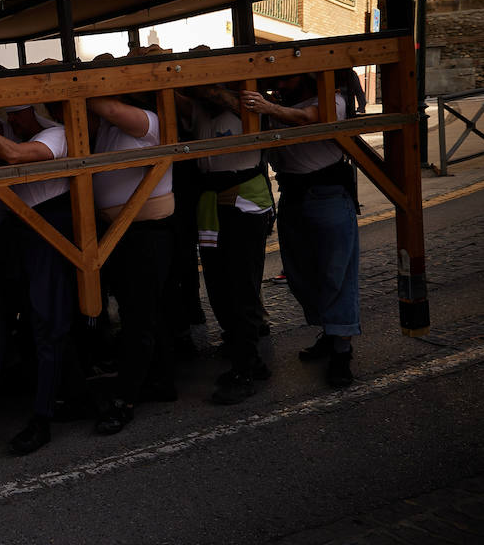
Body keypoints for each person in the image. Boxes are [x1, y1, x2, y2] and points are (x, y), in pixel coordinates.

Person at [245, 75, 360, 387]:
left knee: (336, 274)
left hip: (327, 194)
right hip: (293, 196)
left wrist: (267, 106)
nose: (281, 84)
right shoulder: (281, 106)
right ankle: (331, 331)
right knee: (300, 274)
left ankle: (341, 351)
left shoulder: (330, 101)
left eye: (289, 77)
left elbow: (310, 118)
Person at [0, 105, 75, 455]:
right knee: (42, 323)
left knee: (48, 323)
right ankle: (67, 396)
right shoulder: (31, 133)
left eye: (16, 116)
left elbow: (13, 154)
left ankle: (42, 417)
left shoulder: (54, 135)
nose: (11, 122)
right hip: (28, 232)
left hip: (47, 229)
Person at [178, 84, 275, 405]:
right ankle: (249, 360)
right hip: (211, 201)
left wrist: (198, 83)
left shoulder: (243, 107)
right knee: (219, 286)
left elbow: (218, 96)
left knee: (241, 287)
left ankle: (244, 370)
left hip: (244, 200)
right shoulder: (199, 110)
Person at [87, 95, 175, 434]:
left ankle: (126, 399)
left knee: (139, 316)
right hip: (125, 233)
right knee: (145, 312)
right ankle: (160, 381)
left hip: (145, 232)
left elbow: (108, 108)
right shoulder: (112, 126)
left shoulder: (147, 120)